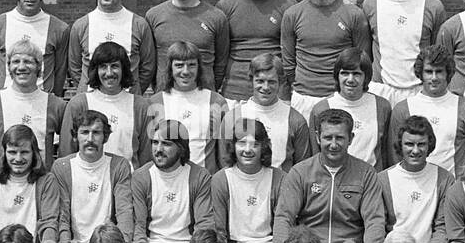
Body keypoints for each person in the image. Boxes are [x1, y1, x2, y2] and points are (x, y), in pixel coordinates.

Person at [273, 108, 386, 243]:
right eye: (328, 138)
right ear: (318, 137)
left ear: (351, 138)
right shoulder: (300, 172)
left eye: (340, 138)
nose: (333, 144)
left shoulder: (366, 173)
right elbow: (284, 217)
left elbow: (375, 219)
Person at [280, 0, 371, 117]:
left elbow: (363, 60)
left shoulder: (354, 14)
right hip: (303, 98)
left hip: (340, 97)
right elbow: (288, 63)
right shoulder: (292, 14)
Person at [51, 110, 134, 243]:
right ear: (75, 136)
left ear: (105, 137)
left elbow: (124, 212)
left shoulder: (119, 165)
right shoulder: (62, 166)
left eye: (96, 132)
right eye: (84, 132)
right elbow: (62, 216)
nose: (90, 138)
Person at [362, 0, 446, 105]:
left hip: (419, 91)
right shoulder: (371, 3)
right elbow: (365, 52)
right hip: (381, 90)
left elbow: (438, 54)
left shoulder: (433, 6)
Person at [130, 120, 213, 243]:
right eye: (155, 142)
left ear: (181, 148)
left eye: (166, 144)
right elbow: (138, 225)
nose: (158, 150)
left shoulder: (199, 176)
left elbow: (204, 224)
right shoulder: (141, 177)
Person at [216, 0, 297, 102]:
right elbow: (220, 55)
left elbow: (292, 55)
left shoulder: (287, 6)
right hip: (236, 91)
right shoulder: (225, 6)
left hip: (275, 91)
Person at [388, 45, 465, 177]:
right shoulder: (403, 109)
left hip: (453, 189)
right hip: (415, 186)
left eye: (439, 71)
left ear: (448, 73)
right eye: (428, 71)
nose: (434, 78)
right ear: (420, 73)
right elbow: (395, 156)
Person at [380, 115, 453, 243]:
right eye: (409, 144)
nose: (415, 150)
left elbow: (443, 224)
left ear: (429, 146)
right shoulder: (383, 179)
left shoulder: (445, 179)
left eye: (421, 144)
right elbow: (378, 224)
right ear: (400, 145)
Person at [0, 38, 65, 169]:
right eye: (16, 61)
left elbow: (70, 148)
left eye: (28, 61)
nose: (21, 67)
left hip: (41, 185)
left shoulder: (57, 106)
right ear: (9, 66)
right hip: (1, 184)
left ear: (39, 66)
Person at [210, 118, 283, 243]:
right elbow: (218, 229)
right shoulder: (221, 179)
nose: (248, 150)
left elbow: (283, 221)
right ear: (233, 146)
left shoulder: (278, 178)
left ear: (263, 147)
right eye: (242, 143)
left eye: (255, 144)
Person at [147, 0, 230, 93]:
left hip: (203, 97)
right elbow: (150, 61)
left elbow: (221, 63)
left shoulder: (216, 17)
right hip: (165, 97)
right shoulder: (154, 15)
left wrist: (208, 87)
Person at [68, 0, 155, 94]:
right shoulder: (81, 25)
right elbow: (74, 68)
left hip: (128, 102)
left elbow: (147, 68)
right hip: (91, 104)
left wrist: (133, 92)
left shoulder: (139, 25)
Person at [60, 41, 151, 167]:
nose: (109, 73)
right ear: (95, 70)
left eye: (114, 66)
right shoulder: (78, 104)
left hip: (127, 183)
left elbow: (146, 157)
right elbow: (66, 153)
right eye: (103, 67)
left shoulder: (140, 106)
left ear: (123, 69)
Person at [146, 40, 228, 174]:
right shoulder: (155, 103)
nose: (185, 71)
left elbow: (224, 153)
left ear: (199, 67)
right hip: (166, 182)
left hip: (205, 182)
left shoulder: (217, 102)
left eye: (191, 65)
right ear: (170, 68)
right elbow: (149, 150)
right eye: (179, 65)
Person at [223, 53, 312, 172]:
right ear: (251, 80)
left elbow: (303, 168)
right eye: (260, 81)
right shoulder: (232, 118)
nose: (265, 87)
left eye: (271, 82)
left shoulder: (295, 120)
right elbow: (225, 164)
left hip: (281, 187)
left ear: (280, 82)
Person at [309, 47, 392, 168]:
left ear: (366, 77)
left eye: (356, 74)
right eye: (345, 73)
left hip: (371, 180)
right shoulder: (321, 109)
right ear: (337, 75)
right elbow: (316, 155)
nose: (350, 79)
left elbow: (387, 152)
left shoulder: (382, 106)